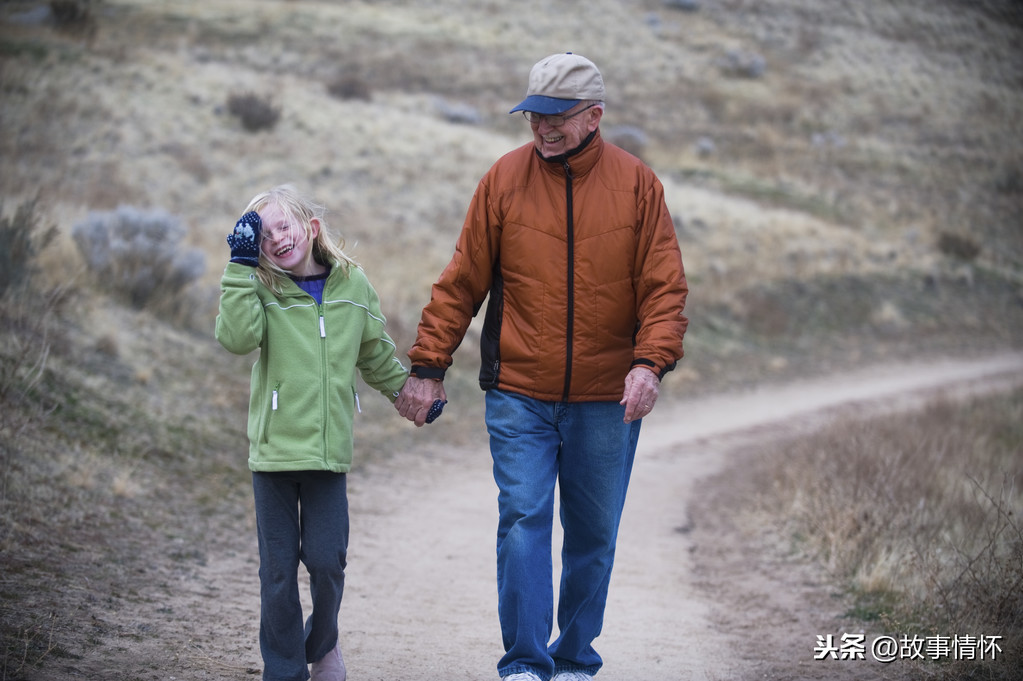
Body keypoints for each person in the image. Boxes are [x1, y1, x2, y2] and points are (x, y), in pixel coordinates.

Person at [395, 53, 689, 681]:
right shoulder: (503, 180)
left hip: (608, 397)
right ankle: (525, 664)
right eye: (534, 114)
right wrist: (427, 365)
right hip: (519, 392)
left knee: (592, 537)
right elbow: (461, 282)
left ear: (594, 116)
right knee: (524, 517)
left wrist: (649, 364)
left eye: (557, 115)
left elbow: (664, 291)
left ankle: (576, 660)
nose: (542, 127)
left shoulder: (638, 186)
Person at [216, 184, 409, 681]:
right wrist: (239, 269)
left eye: (285, 226)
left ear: (311, 227)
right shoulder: (260, 286)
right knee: (278, 573)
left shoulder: (353, 285)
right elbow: (235, 339)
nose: (277, 240)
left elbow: (375, 355)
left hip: (327, 455)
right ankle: (284, 670)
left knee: (327, 563)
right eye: (261, 237)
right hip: (275, 454)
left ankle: (323, 646)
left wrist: (407, 395)